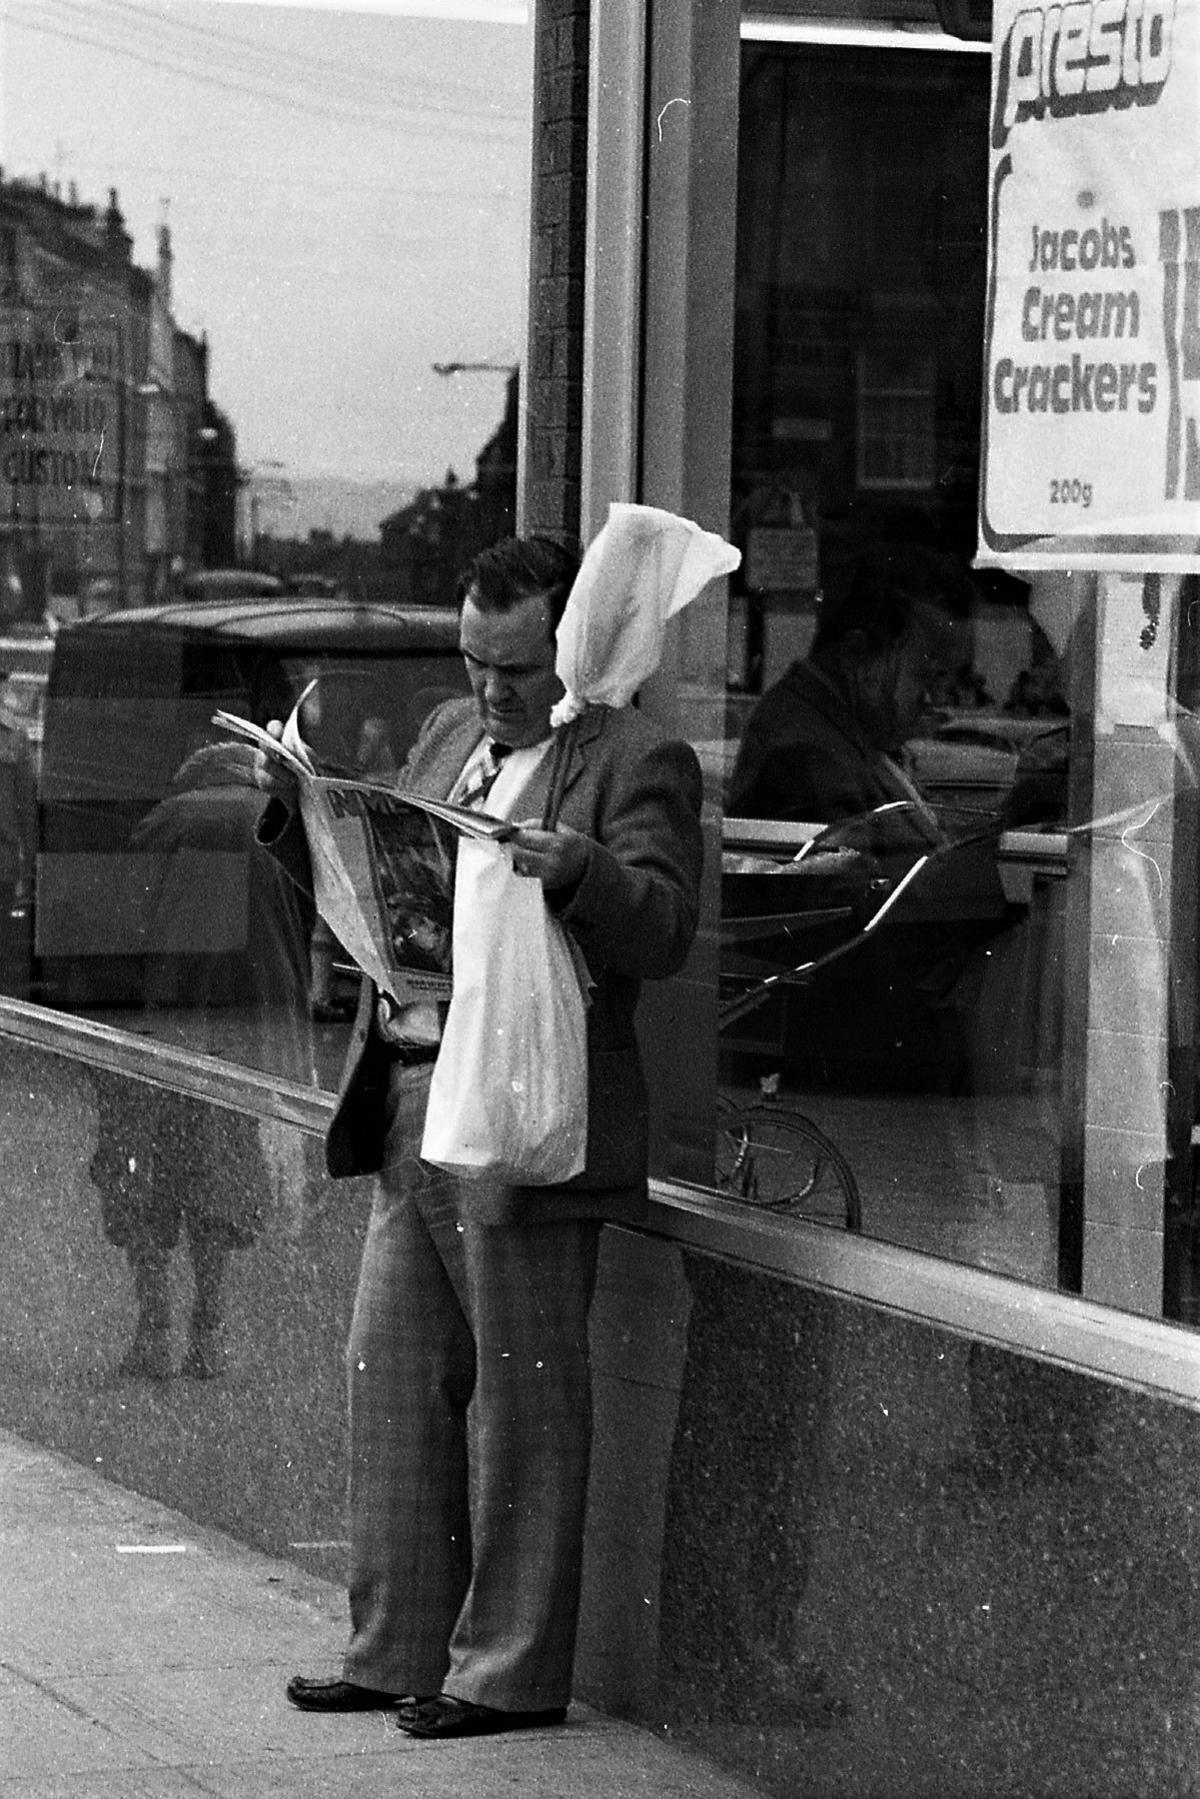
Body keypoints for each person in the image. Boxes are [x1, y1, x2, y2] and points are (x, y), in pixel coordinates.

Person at [256, 534, 704, 1740]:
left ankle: (506, 1669)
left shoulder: (633, 756)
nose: (491, 687)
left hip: (521, 1105)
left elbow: (664, 926)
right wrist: (305, 819)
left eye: (516, 666)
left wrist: (584, 874)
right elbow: (390, 876)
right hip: (411, 1089)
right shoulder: (454, 736)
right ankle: (397, 1643)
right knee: (392, 1375)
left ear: (569, 649)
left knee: (523, 1401)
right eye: (472, 658)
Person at [726, 542, 976, 826]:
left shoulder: (842, 733)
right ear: (856, 655)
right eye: (924, 675)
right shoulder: (808, 760)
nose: (934, 699)